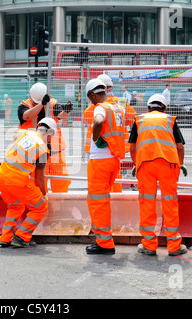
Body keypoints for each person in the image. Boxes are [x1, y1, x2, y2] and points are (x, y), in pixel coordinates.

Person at [129, 93, 187, 256]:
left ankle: (149, 245)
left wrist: (136, 163)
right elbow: (180, 147)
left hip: (146, 166)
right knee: (170, 203)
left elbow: (132, 148)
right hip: (168, 165)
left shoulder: (139, 120)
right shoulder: (170, 120)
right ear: (164, 108)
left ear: (148, 107)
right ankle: (174, 246)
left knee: (147, 203)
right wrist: (180, 164)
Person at [0, 117, 57, 248]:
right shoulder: (42, 149)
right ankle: (21, 236)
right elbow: (39, 179)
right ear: (49, 134)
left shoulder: (23, 132)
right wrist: (44, 194)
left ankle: (6, 237)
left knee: (15, 206)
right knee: (41, 206)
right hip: (17, 180)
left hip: (1, 175)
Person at [85, 78, 125, 255]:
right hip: (112, 159)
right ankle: (103, 239)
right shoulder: (117, 107)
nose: (91, 102)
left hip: (100, 161)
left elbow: (99, 121)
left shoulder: (100, 108)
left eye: (90, 99)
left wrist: (95, 136)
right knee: (103, 200)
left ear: (93, 95)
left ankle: (104, 243)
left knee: (97, 202)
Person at [46, 97, 73, 193]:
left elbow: (61, 115)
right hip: (40, 150)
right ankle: (40, 206)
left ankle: (61, 204)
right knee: (38, 183)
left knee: (60, 182)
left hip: (56, 148)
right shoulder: (29, 105)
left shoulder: (53, 103)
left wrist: (66, 110)